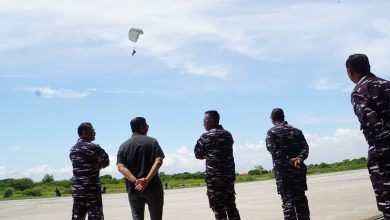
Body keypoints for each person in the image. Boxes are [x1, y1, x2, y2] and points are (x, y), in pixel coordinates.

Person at [346, 54, 390, 219]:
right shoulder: (386, 84)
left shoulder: (360, 90)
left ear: (350, 72)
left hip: (384, 156)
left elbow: (372, 124)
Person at [194, 110, 241, 220]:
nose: (203, 124)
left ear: (210, 121)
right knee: (231, 206)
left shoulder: (205, 136)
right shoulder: (228, 134)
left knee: (218, 209)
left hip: (214, 180)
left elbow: (198, 154)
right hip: (228, 178)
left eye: (204, 121)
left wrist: (208, 154)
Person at [266, 108, 310, 220]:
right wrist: (299, 158)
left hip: (283, 174)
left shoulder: (272, 132)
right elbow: (305, 147)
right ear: (283, 117)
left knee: (288, 202)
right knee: (301, 201)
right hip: (298, 171)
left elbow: (273, 151)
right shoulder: (297, 131)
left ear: (273, 119)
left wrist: (288, 160)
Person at [117, 117, 165, 220]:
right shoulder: (152, 142)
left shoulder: (123, 146)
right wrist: (146, 180)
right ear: (142, 127)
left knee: (137, 217)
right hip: (153, 187)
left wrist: (136, 181)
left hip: (134, 189)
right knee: (156, 217)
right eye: (146, 124)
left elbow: (120, 167)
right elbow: (159, 161)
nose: (148, 126)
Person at [70, 122, 110, 220]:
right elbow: (106, 162)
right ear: (84, 132)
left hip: (77, 189)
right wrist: (96, 166)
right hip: (91, 189)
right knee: (95, 216)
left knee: (77, 216)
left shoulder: (73, 149)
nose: (95, 132)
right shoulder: (94, 147)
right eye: (92, 130)